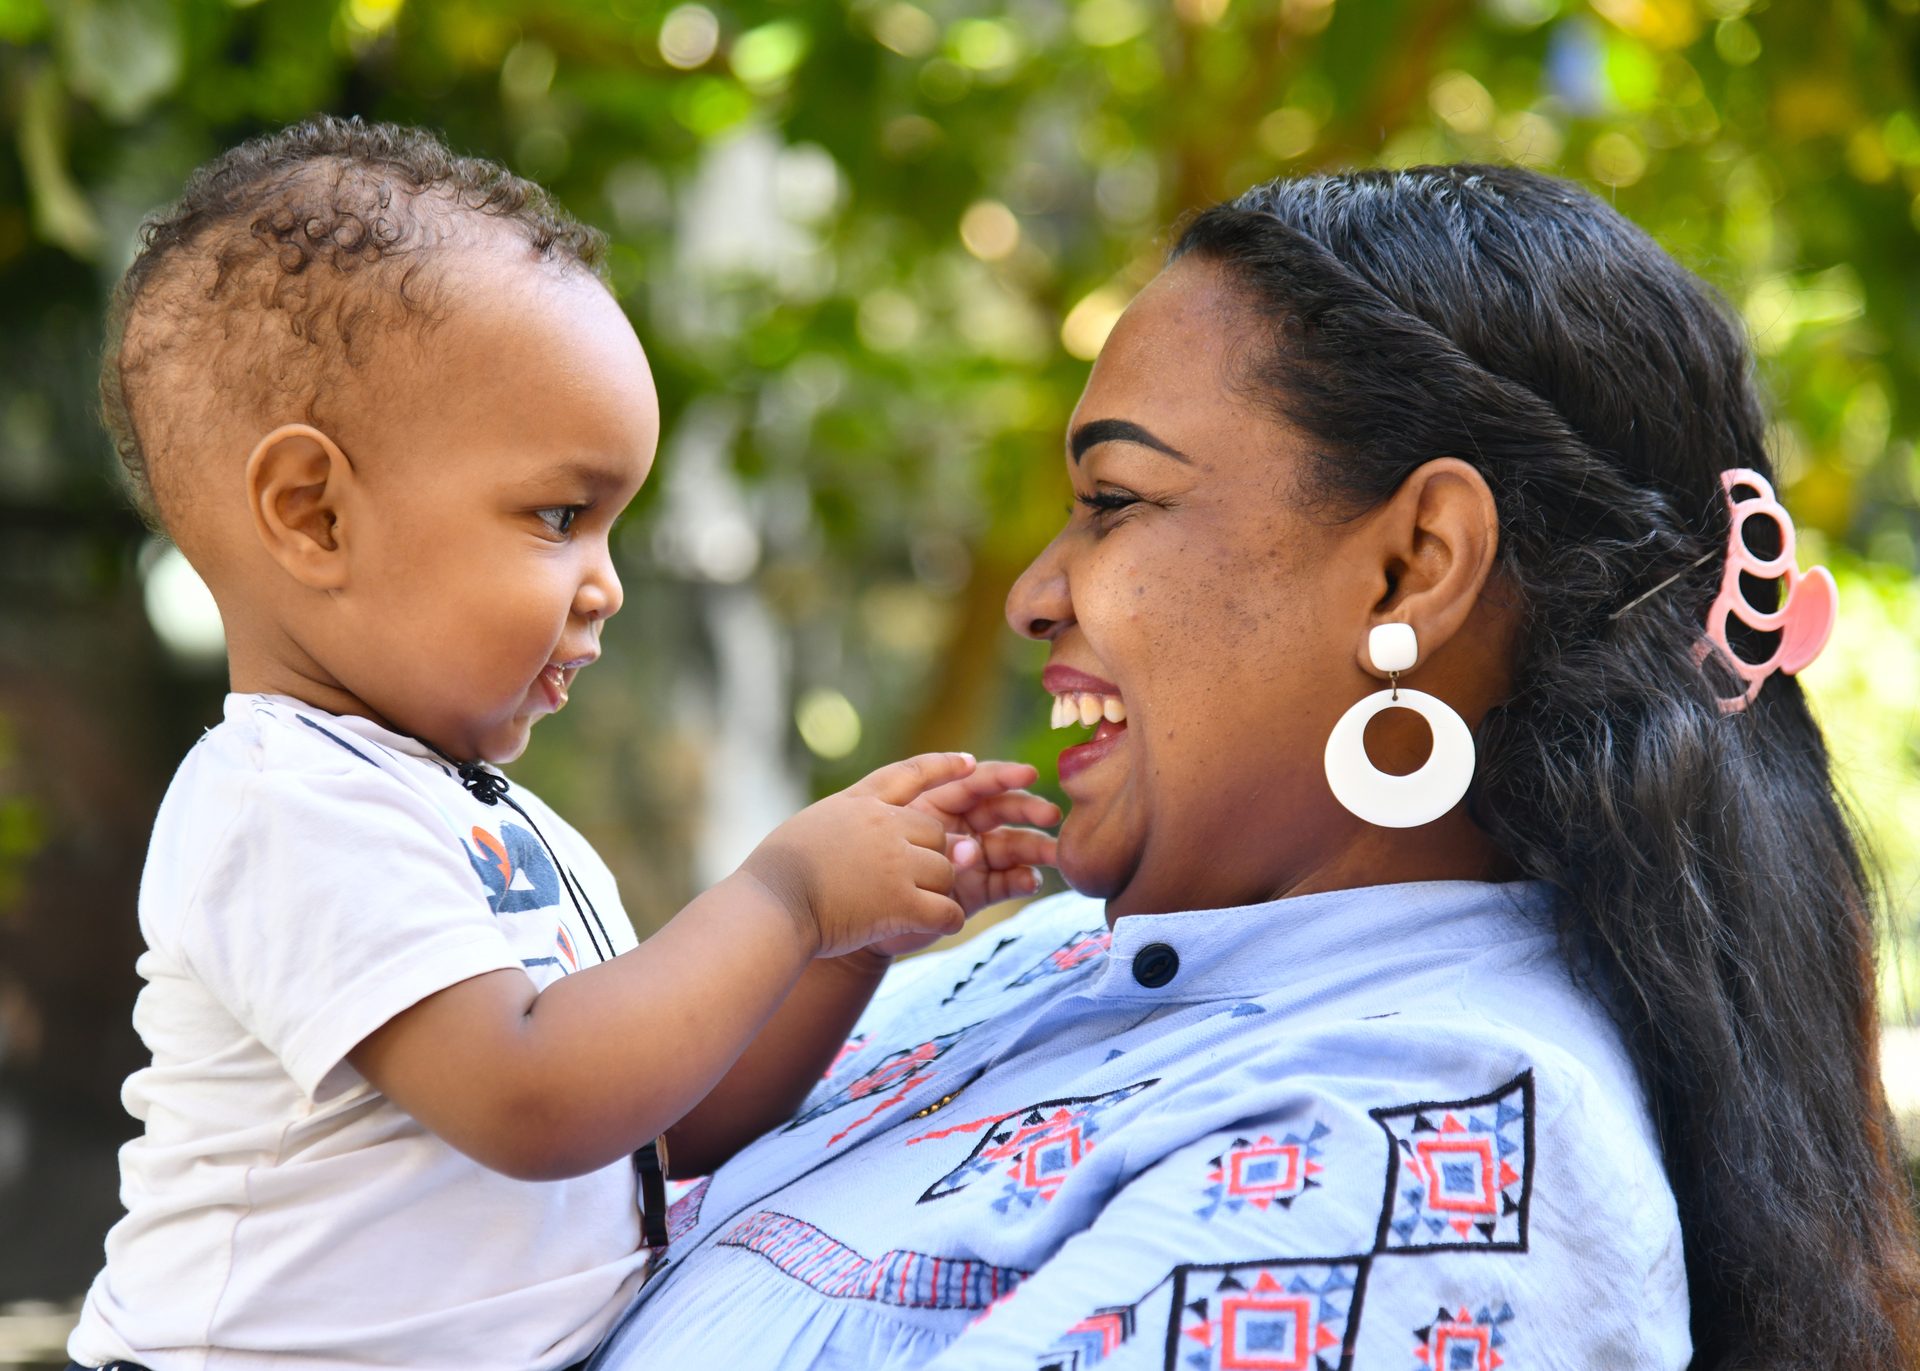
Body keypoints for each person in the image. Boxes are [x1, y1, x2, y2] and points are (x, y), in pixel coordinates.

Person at [589, 165, 1920, 1371]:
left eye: (1115, 501)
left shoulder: (1423, 1151)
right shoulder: (1030, 955)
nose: (1036, 593)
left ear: (1414, 564)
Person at [66, 117, 1056, 1371]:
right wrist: (787, 895)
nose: (607, 586)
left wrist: (853, 943)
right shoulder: (282, 809)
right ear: (313, 514)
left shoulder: (482, 815)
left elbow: (656, 1126)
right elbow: (536, 1101)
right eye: (557, 516)